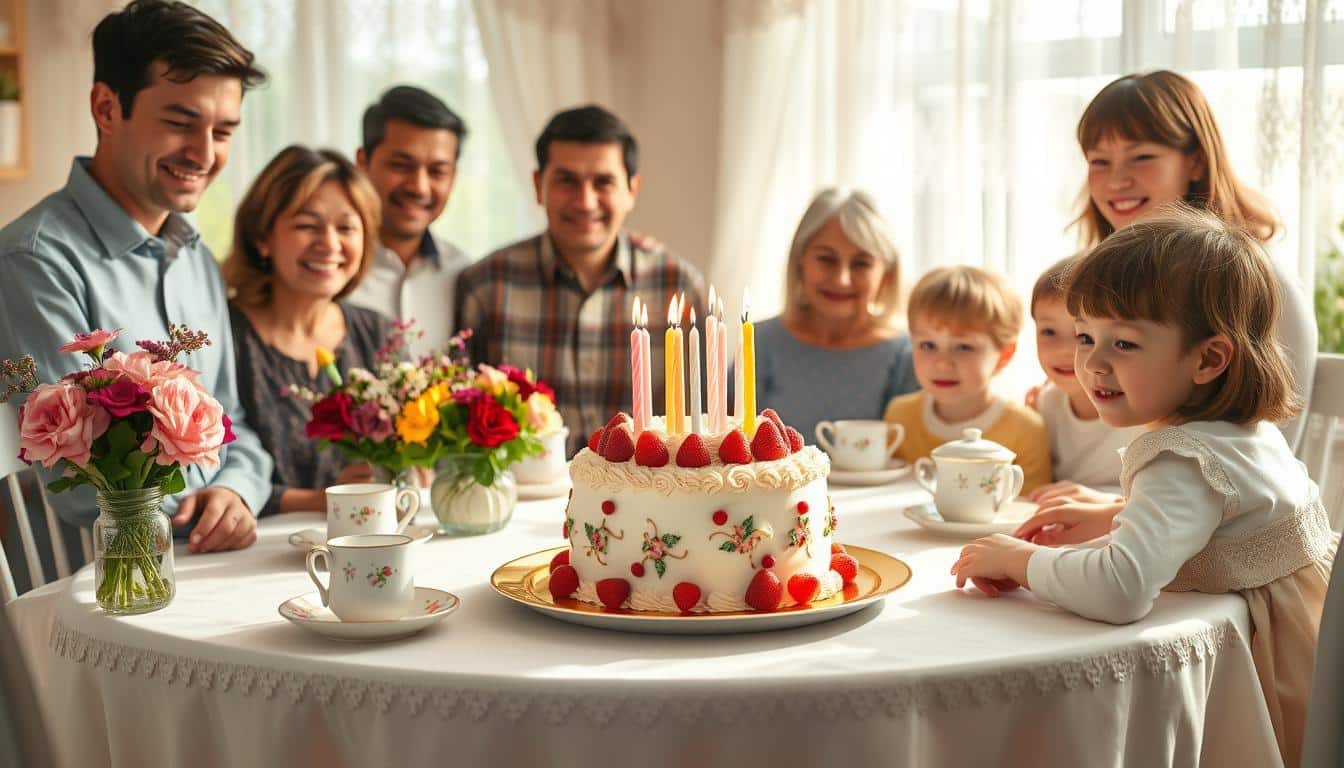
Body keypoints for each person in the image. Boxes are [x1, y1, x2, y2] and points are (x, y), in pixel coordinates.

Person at [951, 206, 1335, 768]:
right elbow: (1235, 517)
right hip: (1319, 647)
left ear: (1208, 358)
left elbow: (1121, 589)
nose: (1092, 364)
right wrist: (1115, 513)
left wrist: (1020, 560)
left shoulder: (1180, 459)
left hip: (1274, 671)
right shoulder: (1243, 429)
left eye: (1124, 344)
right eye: (1086, 336)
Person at [0, 0, 271, 553]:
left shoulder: (196, 256)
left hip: (204, 565)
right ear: (106, 108)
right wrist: (204, 515)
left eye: (223, 131)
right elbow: (80, 478)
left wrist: (237, 494)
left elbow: (233, 421)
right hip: (98, 594)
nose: (204, 153)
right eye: (180, 123)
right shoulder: (34, 262)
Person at [1074, 70, 1316, 452]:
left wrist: (1119, 504)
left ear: (1196, 163)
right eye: (1099, 161)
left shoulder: (1257, 277)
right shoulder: (1117, 278)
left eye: (1141, 157)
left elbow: (1268, 442)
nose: (1117, 180)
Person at [455, 105, 704, 455]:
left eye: (603, 182)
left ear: (632, 190)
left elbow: (703, 422)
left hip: (647, 504)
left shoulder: (677, 285)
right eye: (566, 181)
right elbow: (460, 427)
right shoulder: (486, 286)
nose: (585, 202)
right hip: (526, 503)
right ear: (538, 186)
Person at [222, 146, 392, 515]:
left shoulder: (378, 334)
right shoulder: (225, 336)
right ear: (261, 237)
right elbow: (208, 476)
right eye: (307, 225)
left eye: (346, 227)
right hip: (254, 552)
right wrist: (324, 500)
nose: (330, 244)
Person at [750, 188, 918, 442]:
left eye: (861, 263)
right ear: (800, 261)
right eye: (826, 259)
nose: (842, 279)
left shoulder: (908, 353)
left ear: (886, 273)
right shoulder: (759, 342)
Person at [882, 265, 1051, 493]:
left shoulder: (1026, 430)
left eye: (963, 347)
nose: (942, 363)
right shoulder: (899, 416)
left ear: (1004, 355)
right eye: (928, 345)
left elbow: (1032, 511)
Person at [348, 86, 471, 358]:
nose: (419, 187)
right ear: (363, 162)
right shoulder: (332, 265)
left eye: (437, 171)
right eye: (401, 165)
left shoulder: (465, 276)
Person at [1026, 255, 1143, 500]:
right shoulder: (1046, 405)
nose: (1064, 350)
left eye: (1083, 337)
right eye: (1048, 332)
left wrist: (1103, 500)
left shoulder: (1143, 412)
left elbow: (1165, 502)